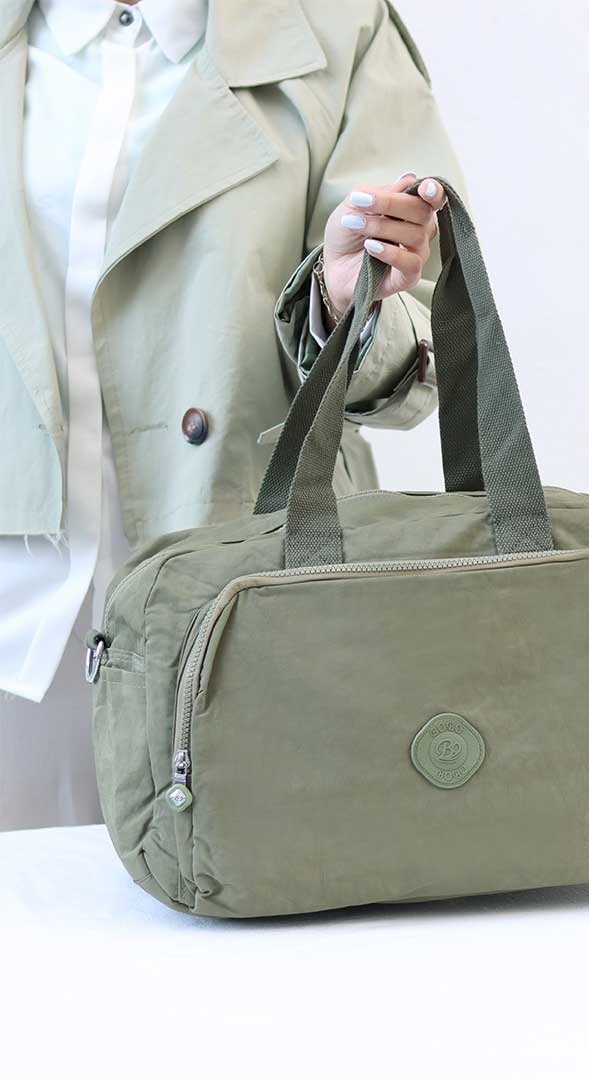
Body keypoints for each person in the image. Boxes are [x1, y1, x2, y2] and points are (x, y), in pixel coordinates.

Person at [0, 0, 465, 829]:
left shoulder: (338, 30)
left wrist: (343, 303)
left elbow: (428, 339)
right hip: (18, 623)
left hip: (242, 604)